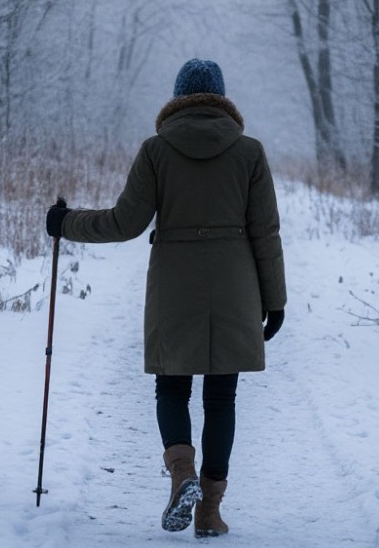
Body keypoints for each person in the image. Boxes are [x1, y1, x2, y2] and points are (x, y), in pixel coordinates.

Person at [46, 58, 287, 537]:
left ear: (177, 98)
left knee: (171, 388)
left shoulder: (157, 151)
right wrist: (274, 300)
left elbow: (124, 223)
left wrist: (66, 222)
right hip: (235, 286)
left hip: (175, 285)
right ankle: (209, 513)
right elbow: (267, 232)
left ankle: (182, 475)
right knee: (222, 398)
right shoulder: (250, 153)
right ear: (222, 98)